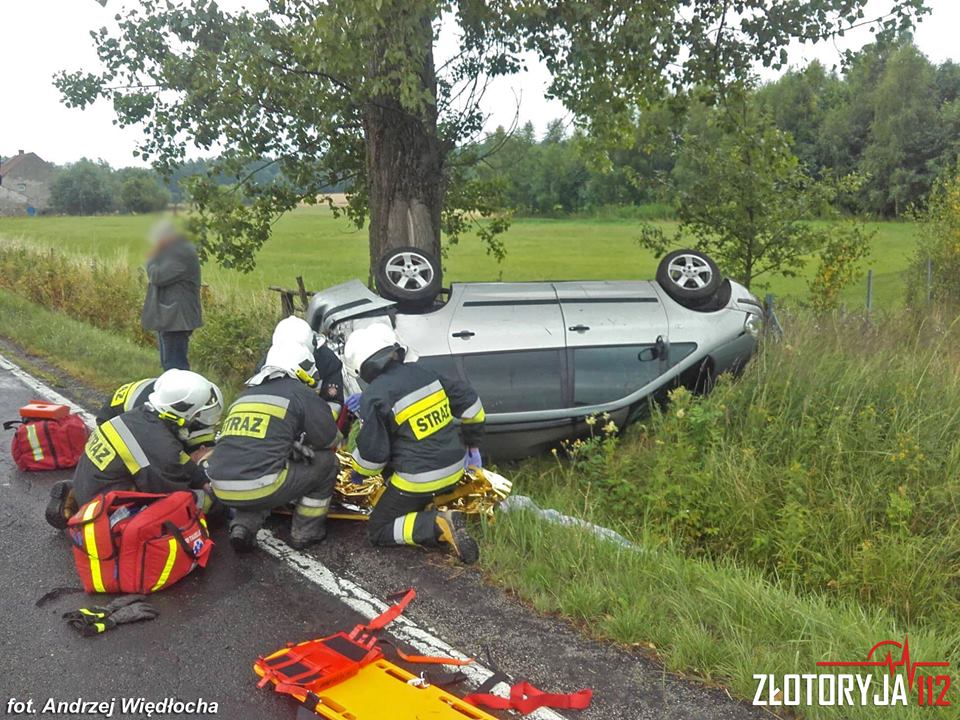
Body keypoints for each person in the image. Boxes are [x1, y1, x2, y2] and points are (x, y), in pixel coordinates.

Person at [343, 324, 485, 564]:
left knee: (378, 528)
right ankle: (429, 509)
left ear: (363, 369)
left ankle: (436, 524)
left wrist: (357, 473)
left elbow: (373, 456)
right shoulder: (426, 373)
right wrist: (472, 447)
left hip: (419, 479)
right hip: (456, 467)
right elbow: (472, 405)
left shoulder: (375, 395)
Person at [205, 342, 342, 552]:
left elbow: (253, 447)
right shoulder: (299, 392)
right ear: (302, 368)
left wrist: (289, 446)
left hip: (219, 487)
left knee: (264, 465)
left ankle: (243, 526)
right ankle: (306, 532)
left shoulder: (244, 396)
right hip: (261, 485)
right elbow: (330, 439)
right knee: (327, 462)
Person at [45, 369, 220, 529]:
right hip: (105, 513)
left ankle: (75, 500)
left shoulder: (138, 416)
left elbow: (179, 459)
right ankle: (89, 519)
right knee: (182, 510)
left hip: (89, 486)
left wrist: (200, 478)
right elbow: (175, 494)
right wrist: (214, 502)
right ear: (185, 413)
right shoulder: (159, 446)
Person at [95, 375, 223, 449]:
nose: (199, 418)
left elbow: (201, 441)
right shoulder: (148, 419)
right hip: (112, 420)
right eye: (198, 415)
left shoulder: (178, 394)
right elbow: (162, 453)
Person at [140, 221, 202, 371]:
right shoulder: (175, 252)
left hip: (177, 319)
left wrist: (152, 257)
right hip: (169, 317)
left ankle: (180, 392)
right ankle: (171, 391)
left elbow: (157, 276)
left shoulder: (181, 254)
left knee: (175, 365)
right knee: (168, 364)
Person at [266, 315, 345, 420]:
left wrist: (323, 424)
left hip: (315, 416)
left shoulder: (327, 361)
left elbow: (333, 401)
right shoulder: (269, 364)